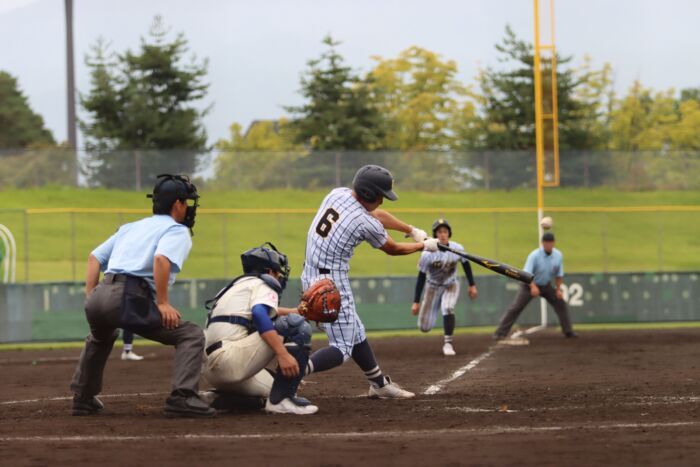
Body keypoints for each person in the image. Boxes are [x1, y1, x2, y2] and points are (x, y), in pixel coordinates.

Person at [69, 174, 215, 418]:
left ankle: (82, 398)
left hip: (101, 293)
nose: (188, 207)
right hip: (128, 296)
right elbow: (161, 259)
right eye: (187, 202)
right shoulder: (176, 230)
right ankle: (183, 396)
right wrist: (163, 302)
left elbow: (94, 257)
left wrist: (91, 295)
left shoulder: (131, 227)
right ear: (177, 204)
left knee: (100, 336)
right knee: (190, 334)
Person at [301, 165, 439, 399]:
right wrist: (423, 246)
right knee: (342, 348)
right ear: (367, 193)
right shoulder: (364, 223)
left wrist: (411, 230)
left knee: (355, 332)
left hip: (311, 274)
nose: (382, 202)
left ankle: (379, 384)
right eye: (380, 196)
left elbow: (376, 215)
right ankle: (290, 373)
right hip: (330, 284)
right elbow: (393, 248)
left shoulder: (338, 193)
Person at [200, 243, 317, 415]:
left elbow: (266, 313)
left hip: (213, 370)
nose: (279, 277)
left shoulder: (237, 287)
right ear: (269, 272)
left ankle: (218, 398)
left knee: (273, 388)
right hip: (228, 360)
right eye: (278, 272)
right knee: (295, 325)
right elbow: (260, 315)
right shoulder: (262, 283)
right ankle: (282, 401)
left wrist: (298, 311)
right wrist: (282, 354)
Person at [411, 219, 478, 356]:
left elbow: (466, 264)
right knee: (424, 327)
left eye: (445, 231)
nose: (442, 234)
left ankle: (448, 343)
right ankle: (431, 316)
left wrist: (472, 285)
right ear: (435, 235)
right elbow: (421, 277)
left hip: (450, 284)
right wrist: (416, 301)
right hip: (432, 286)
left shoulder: (457, 248)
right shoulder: (427, 253)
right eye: (439, 232)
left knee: (448, 307)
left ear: (449, 234)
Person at [493, 232, 577, 340]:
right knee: (516, 307)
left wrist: (558, 290)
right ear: (542, 243)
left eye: (550, 243)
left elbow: (559, 275)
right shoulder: (534, 255)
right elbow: (526, 274)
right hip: (528, 284)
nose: (548, 245)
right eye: (546, 243)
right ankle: (500, 333)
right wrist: (533, 287)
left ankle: (568, 331)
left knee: (560, 303)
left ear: (554, 243)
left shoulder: (558, 255)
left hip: (545, 285)